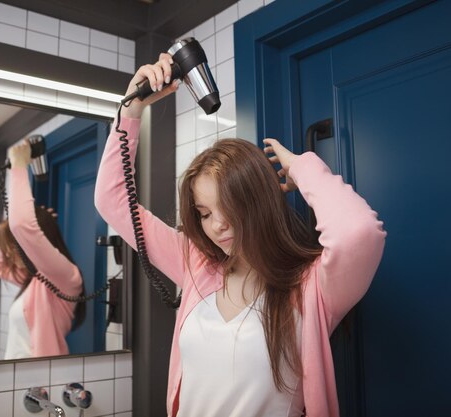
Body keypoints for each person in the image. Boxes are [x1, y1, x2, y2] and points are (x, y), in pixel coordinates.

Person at [94, 53, 386, 417]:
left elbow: (359, 233)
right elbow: (112, 202)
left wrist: (304, 168)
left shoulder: (311, 287)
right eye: (203, 213)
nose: (217, 225)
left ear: (258, 201)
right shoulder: (196, 266)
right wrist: (131, 110)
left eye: (229, 207)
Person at [0, 140, 85, 359]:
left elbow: (22, 225)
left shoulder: (65, 278)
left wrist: (20, 166)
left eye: (16, 245)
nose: (11, 254)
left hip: (41, 380)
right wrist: (8, 233)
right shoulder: (32, 279)